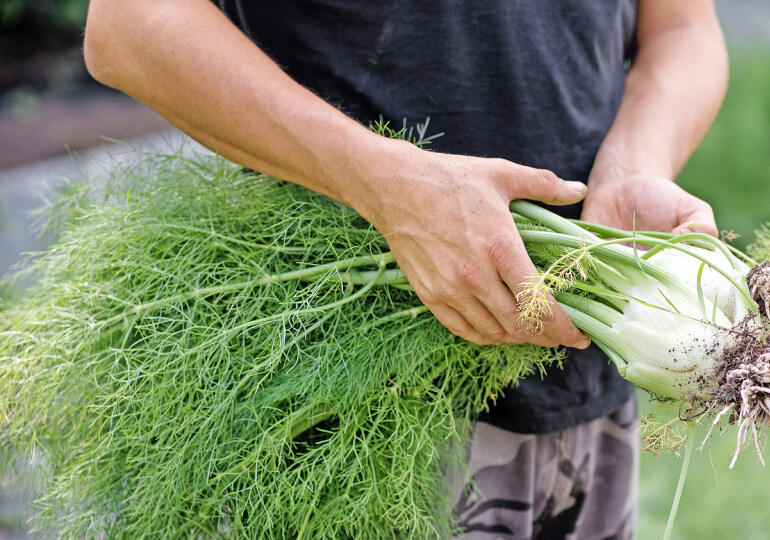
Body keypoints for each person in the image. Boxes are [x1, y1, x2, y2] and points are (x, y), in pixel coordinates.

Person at [83, 1, 727, 537]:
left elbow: (682, 28)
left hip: (589, 369)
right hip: (347, 396)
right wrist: (389, 184)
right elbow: (128, 24)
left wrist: (636, 164)